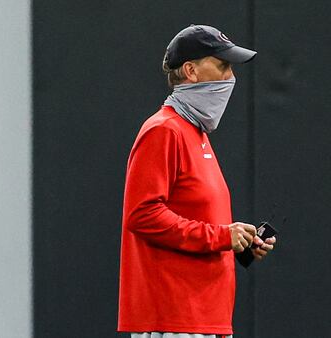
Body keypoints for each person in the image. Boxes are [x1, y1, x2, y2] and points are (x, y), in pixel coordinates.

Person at [118, 25, 276, 338]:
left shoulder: (194, 133)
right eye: (222, 65)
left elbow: (197, 222)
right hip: (175, 317)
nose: (231, 77)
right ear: (190, 70)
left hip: (205, 316)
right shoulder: (163, 130)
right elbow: (142, 215)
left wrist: (239, 244)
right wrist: (220, 238)